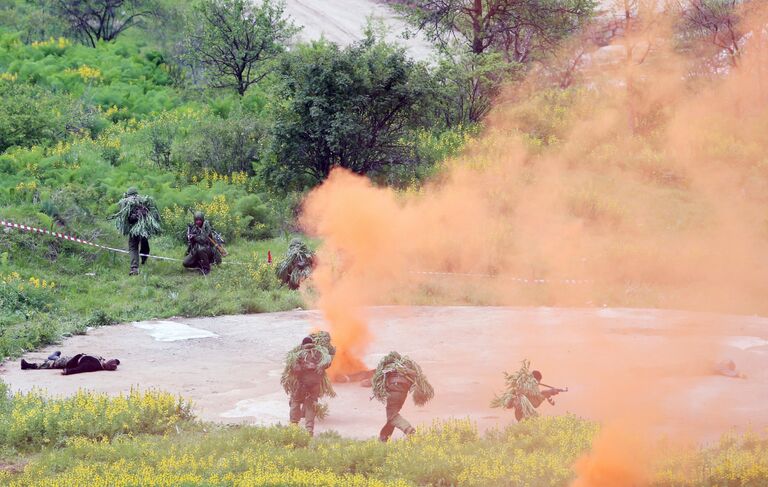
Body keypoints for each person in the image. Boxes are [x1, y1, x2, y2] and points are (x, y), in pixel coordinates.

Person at [372, 352, 433, 442]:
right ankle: (384, 437)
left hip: (393, 392)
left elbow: (379, 377)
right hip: (402, 394)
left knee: (392, 416)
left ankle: (408, 430)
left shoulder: (390, 366)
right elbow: (417, 375)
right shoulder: (408, 367)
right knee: (392, 415)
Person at [112, 187, 161, 276]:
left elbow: (124, 216)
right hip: (144, 227)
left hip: (134, 227)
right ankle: (144, 259)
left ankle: (134, 268)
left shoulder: (126, 201)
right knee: (144, 243)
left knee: (133, 247)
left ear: (128, 194)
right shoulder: (143, 200)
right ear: (136, 193)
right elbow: (151, 211)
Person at [288, 337, 331, 436]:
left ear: (303, 344)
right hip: (315, 386)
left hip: (301, 385)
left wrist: (304, 367)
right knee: (310, 406)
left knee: (295, 402)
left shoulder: (299, 355)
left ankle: (293, 427)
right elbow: (328, 362)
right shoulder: (320, 354)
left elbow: (296, 369)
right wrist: (319, 367)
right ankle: (309, 431)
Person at [20, 351, 120, 375]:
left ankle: (27, 365)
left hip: (71, 362)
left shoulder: (93, 365)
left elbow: (80, 369)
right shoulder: (102, 361)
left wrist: (68, 371)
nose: (112, 361)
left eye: (111, 363)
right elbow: (115, 362)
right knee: (57, 359)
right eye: (112, 361)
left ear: (107, 367)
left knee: (51, 364)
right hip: (75, 357)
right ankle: (54, 357)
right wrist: (117, 362)